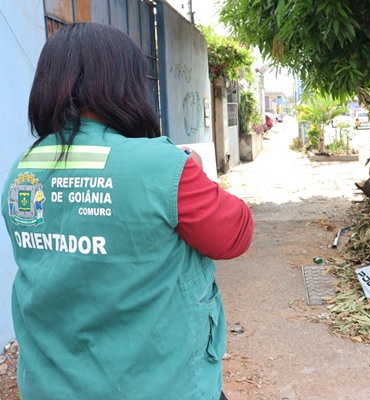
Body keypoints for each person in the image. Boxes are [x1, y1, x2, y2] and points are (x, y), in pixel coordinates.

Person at [1, 23, 253, 400]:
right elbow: (236, 234)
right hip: (163, 386)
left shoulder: (22, 169)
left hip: (50, 386)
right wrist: (195, 173)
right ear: (125, 85)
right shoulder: (163, 166)